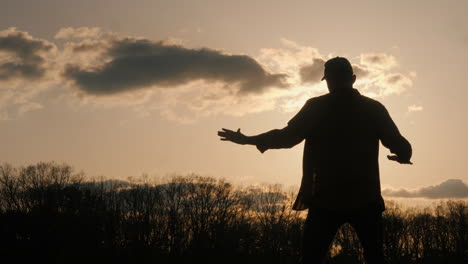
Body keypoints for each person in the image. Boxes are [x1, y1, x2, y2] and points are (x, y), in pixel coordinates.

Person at [217, 56, 412, 264]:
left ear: (328, 80)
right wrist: (403, 155)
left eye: (329, 80)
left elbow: (287, 137)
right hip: (364, 197)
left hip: (325, 197)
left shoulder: (316, 107)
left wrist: (248, 139)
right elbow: (397, 141)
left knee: (311, 258)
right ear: (353, 79)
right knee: (374, 257)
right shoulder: (373, 108)